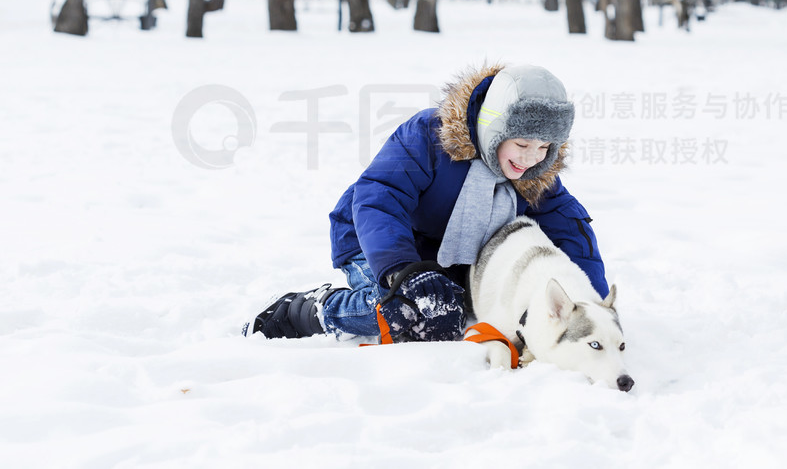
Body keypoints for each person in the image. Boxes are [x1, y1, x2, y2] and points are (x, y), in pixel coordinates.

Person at [247, 63, 607, 342]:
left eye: (545, 147)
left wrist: (591, 304)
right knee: (403, 310)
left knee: (443, 319)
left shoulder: (531, 175)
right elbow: (378, 197)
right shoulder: (428, 137)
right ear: (495, 125)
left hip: (445, 264)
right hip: (371, 241)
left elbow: (570, 229)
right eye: (523, 143)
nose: (531, 158)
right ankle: (309, 311)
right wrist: (402, 270)